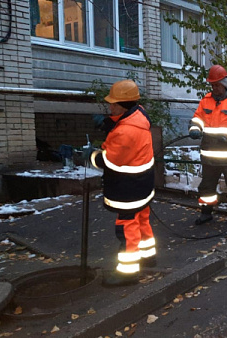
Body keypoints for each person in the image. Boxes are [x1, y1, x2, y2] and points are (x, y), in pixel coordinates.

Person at [87, 79, 157, 287]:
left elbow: (108, 161)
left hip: (128, 188)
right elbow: (124, 127)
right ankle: (148, 256)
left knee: (127, 228)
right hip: (143, 184)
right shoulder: (139, 115)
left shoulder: (125, 131)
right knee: (142, 219)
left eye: (113, 104)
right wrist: (110, 123)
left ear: (123, 104)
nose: (110, 107)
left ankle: (128, 272)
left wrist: (90, 156)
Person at [189, 65, 227, 226]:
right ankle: (206, 213)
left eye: (216, 85)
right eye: (212, 85)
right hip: (210, 156)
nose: (214, 88)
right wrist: (195, 129)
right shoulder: (206, 101)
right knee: (207, 188)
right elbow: (197, 119)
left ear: (224, 84)